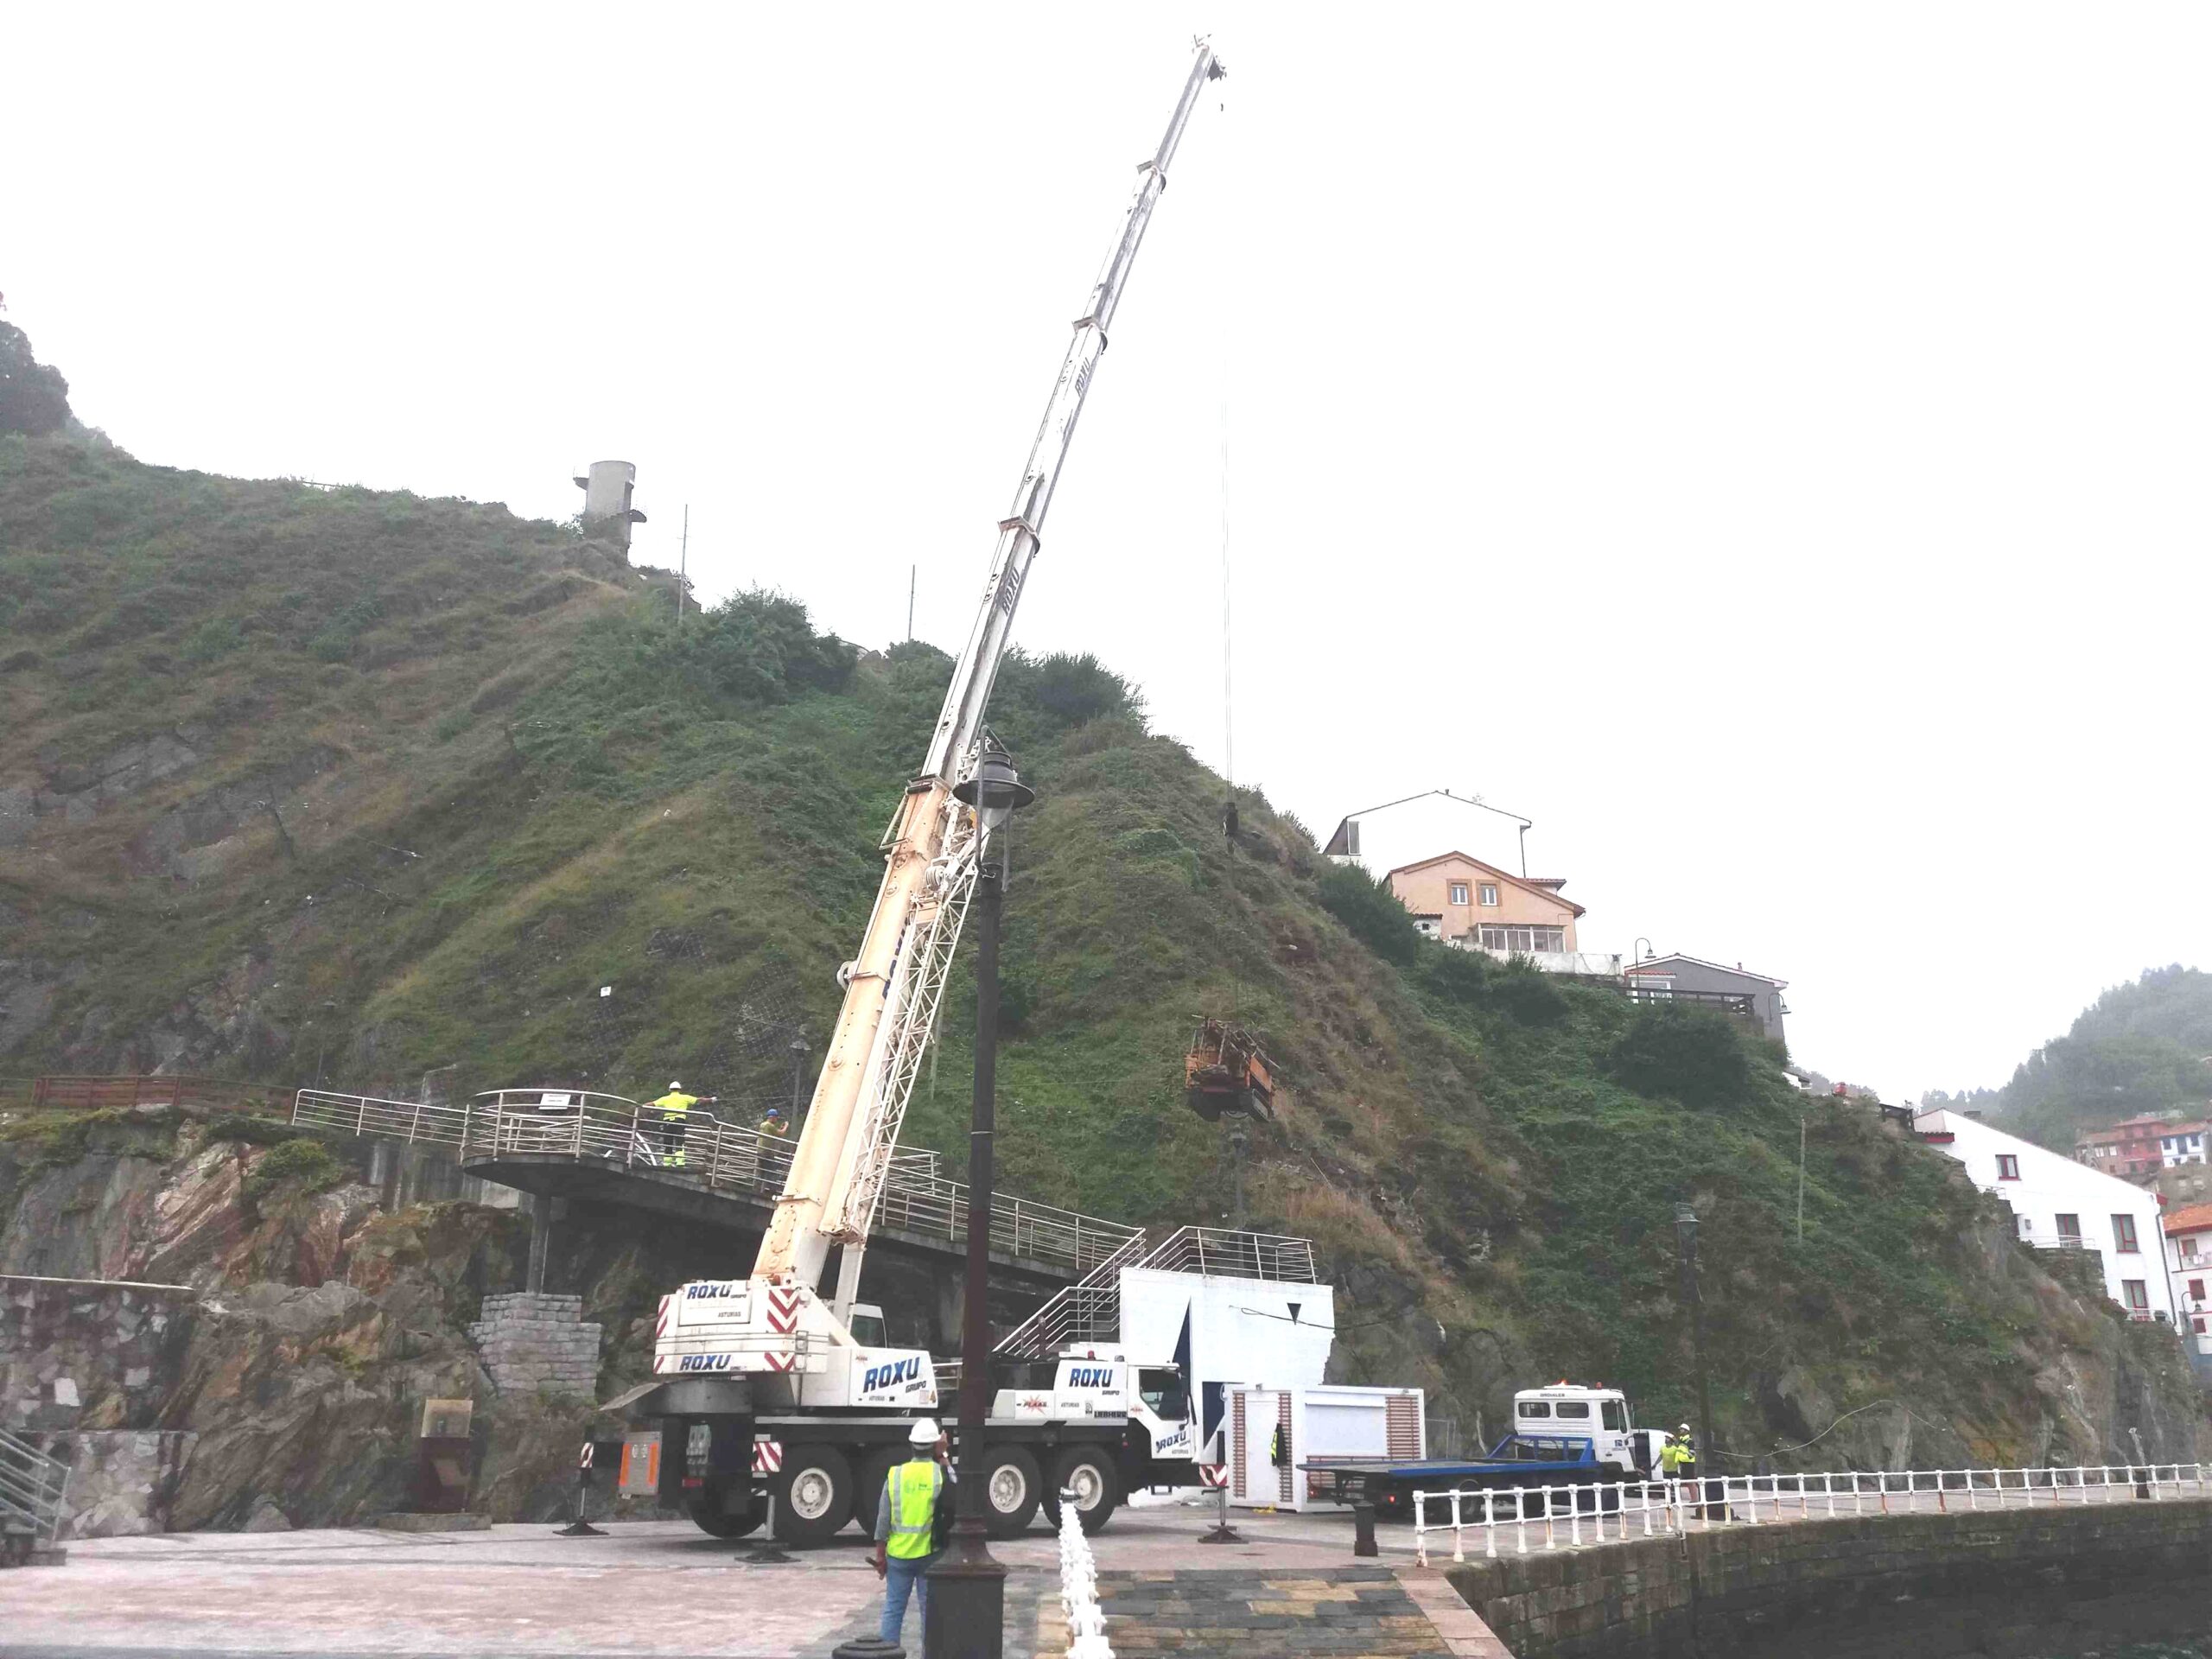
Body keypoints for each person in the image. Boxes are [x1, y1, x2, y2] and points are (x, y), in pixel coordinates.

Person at [872, 1419, 949, 1647]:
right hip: (929, 1555)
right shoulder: (938, 1474)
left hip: (898, 1557)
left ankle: (887, 1653)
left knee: (893, 1610)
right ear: (935, 1446)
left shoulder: (896, 1475)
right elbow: (957, 1487)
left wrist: (880, 1557)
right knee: (929, 1614)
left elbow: (883, 1519)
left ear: (911, 1445)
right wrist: (944, 1455)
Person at [647, 1081, 715, 1168]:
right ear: (679, 1089)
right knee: (679, 1142)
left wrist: (640, 1106)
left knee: (668, 1142)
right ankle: (680, 1163)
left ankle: (667, 1164)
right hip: (679, 1121)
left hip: (668, 1122)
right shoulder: (685, 1097)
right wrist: (711, 1100)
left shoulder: (665, 1099)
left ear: (669, 1089)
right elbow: (699, 1100)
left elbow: (652, 1104)